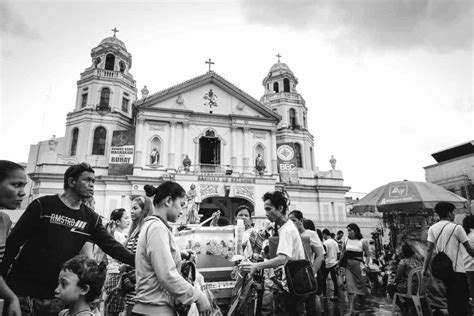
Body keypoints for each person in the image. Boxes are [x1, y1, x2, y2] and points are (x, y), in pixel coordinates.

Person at [0, 162, 134, 315]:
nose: (91, 185)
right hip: (22, 294)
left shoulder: (91, 219)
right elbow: (12, 245)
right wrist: (4, 289)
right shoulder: (43, 205)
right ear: (71, 182)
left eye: (93, 181)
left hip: (56, 299)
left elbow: (112, 247)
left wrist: (138, 260)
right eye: (87, 180)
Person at [133, 181, 211, 315]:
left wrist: (178, 255)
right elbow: (167, 275)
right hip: (154, 309)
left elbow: (156, 262)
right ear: (169, 201)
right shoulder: (157, 228)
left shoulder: (155, 226)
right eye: (181, 205)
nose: (182, 211)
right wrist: (198, 297)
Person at [240, 191, 306, 315]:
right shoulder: (286, 226)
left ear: (280, 208)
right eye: (265, 210)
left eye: (269, 209)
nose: (266, 213)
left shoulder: (286, 230)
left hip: (292, 285)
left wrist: (256, 266)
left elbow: (282, 259)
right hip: (293, 283)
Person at [423, 202, 474, 315]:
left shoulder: (432, 228)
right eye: (453, 212)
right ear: (449, 213)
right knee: (461, 300)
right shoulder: (457, 228)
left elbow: (429, 250)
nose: (454, 215)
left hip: (443, 271)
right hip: (458, 270)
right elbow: (470, 250)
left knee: (451, 298)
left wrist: (424, 269)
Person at [0, 160, 27, 316]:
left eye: (23, 186)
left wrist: (11, 298)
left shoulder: (4, 221)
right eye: (16, 185)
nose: (23, 192)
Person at [288, 210, 324, 315]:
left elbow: (320, 256)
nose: (292, 224)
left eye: (294, 220)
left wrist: (312, 273)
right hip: (293, 277)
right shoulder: (289, 235)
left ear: (301, 220)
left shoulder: (311, 234)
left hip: (308, 277)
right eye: (290, 222)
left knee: (310, 307)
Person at [122, 196, 152, 316]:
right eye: (131, 208)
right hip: (131, 288)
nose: (131, 211)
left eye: (135, 208)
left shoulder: (146, 231)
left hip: (140, 290)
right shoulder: (135, 231)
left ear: (144, 210)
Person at [104, 208, 130, 316]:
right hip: (116, 273)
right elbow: (121, 254)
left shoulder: (119, 235)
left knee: (114, 308)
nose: (128, 220)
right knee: (113, 310)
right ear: (118, 222)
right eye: (126, 218)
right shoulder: (117, 235)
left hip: (115, 273)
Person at [340, 223, 370, 314]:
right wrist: (339, 263)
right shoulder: (346, 240)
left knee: (361, 288)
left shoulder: (363, 241)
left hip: (359, 267)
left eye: (350, 230)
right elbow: (342, 252)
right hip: (349, 267)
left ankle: (362, 308)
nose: (348, 232)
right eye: (347, 230)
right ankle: (350, 310)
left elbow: (368, 255)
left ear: (355, 231)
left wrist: (366, 265)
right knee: (350, 288)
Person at [393, 243, 422, 315]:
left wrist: (394, 282)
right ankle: (408, 304)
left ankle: (402, 307)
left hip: (409, 288)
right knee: (410, 302)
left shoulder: (403, 262)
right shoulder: (417, 262)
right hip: (419, 288)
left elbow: (398, 277)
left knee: (390, 288)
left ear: (403, 253)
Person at [322, 229, 340, 300]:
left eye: (323, 235)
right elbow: (338, 253)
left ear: (325, 234)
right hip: (334, 263)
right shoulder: (335, 242)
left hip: (327, 264)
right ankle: (336, 295)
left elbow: (324, 254)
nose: (323, 237)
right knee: (334, 280)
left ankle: (325, 295)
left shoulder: (325, 243)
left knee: (324, 280)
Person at [462, 215, 474, 310]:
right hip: (472, 267)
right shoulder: (473, 235)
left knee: (468, 291)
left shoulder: (464, 235)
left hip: (464, 266)